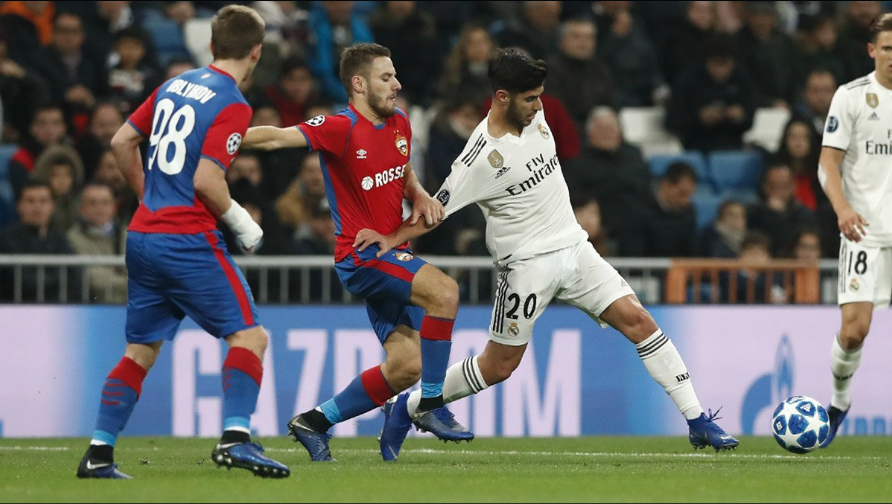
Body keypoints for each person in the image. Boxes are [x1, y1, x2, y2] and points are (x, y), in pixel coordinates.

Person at [359, 49, 740, 462]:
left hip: (575, 249)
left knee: (639, 320)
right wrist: (390, 237)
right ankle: (410, 407)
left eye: (540, 96)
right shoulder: (479, 157)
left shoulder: (537, 118)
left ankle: (697, 419)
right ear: (502, 97)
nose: (539, 106)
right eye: (530, 98)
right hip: (525, 267)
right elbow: (435, 211)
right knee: (499, 365)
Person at [76, 5, 289, 480]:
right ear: (257, 52)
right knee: (251, 336)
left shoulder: (174, 84)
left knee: (140, 351)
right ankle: (236, 438)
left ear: (212, 46)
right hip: (186, 240)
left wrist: (150, 197)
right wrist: (240, 221)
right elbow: (207, 181)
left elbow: (120, 143)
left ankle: (99, 452)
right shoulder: (232, 102)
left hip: (144, 237)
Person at [242, 42, 472, 463]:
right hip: (362, 256)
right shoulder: (340, 127)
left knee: (406, 364)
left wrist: (417, 192)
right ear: (359, 83)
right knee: (445, 292)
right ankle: (432, 406)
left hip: (390, 254)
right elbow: (275, 139)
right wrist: (215, 136)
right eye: (387, 77)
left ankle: (314, 422)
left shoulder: (399, 121)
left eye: (396, 75)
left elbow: (400, 165)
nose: (397, 84)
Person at [818, 13, 892, 448]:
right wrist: (842, 208)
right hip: (864, 231)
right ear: (872, 51)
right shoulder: (850, 98)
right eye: (887, 48)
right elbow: (828, 162)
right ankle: (839, 402)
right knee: (853, 331)